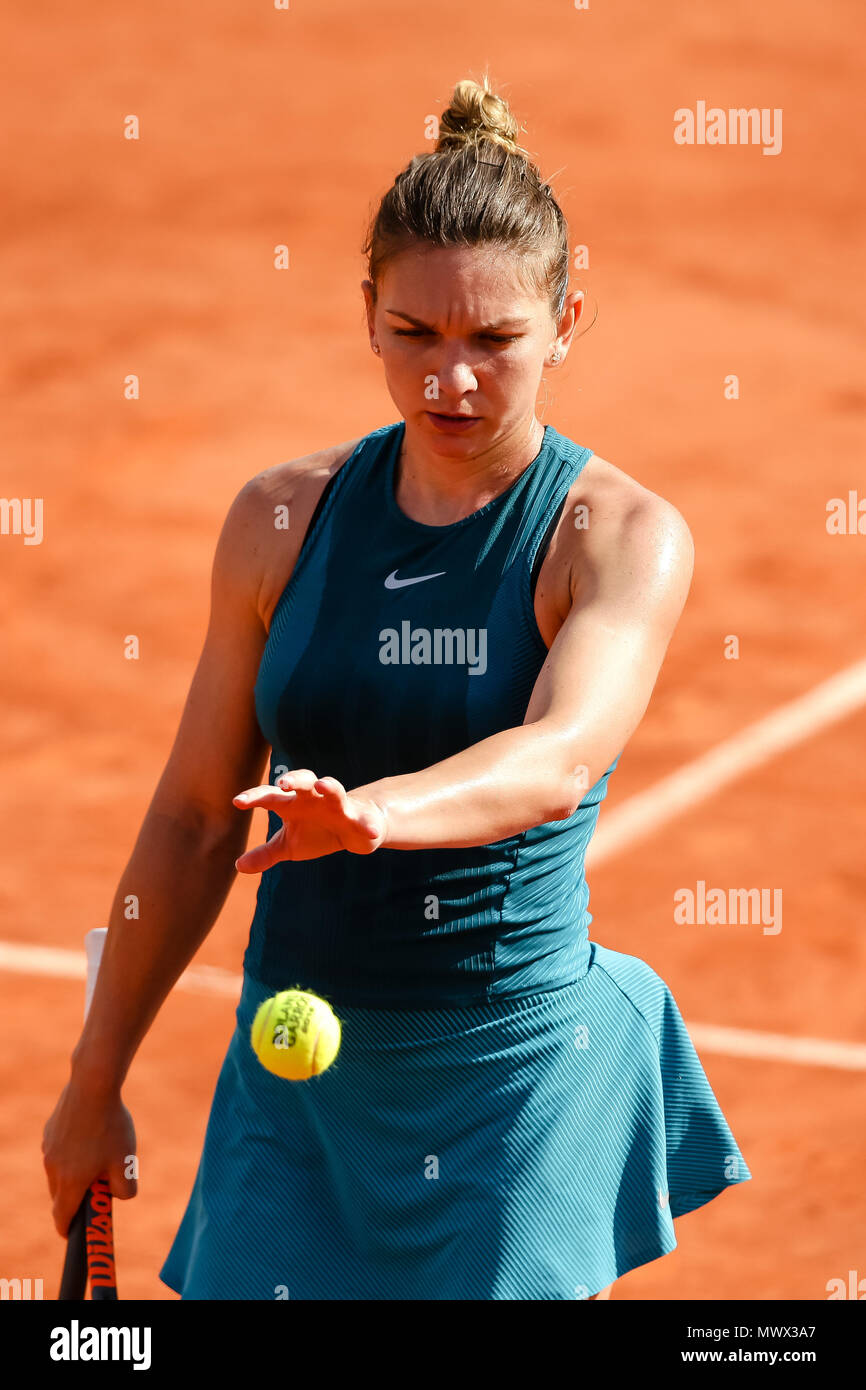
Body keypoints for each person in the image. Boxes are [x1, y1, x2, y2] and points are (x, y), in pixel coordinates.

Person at [43, 74, 751, 1301]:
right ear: (366, 314)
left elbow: (559, 755)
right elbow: (192, 814)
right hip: (298, 1079)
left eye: (494, 339)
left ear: (568, 320)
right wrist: (92, 1083)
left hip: (508, 1081)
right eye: (414, 335)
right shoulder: (278, 518)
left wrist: (374, 815)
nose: (451, 380)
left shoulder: (616, 536)